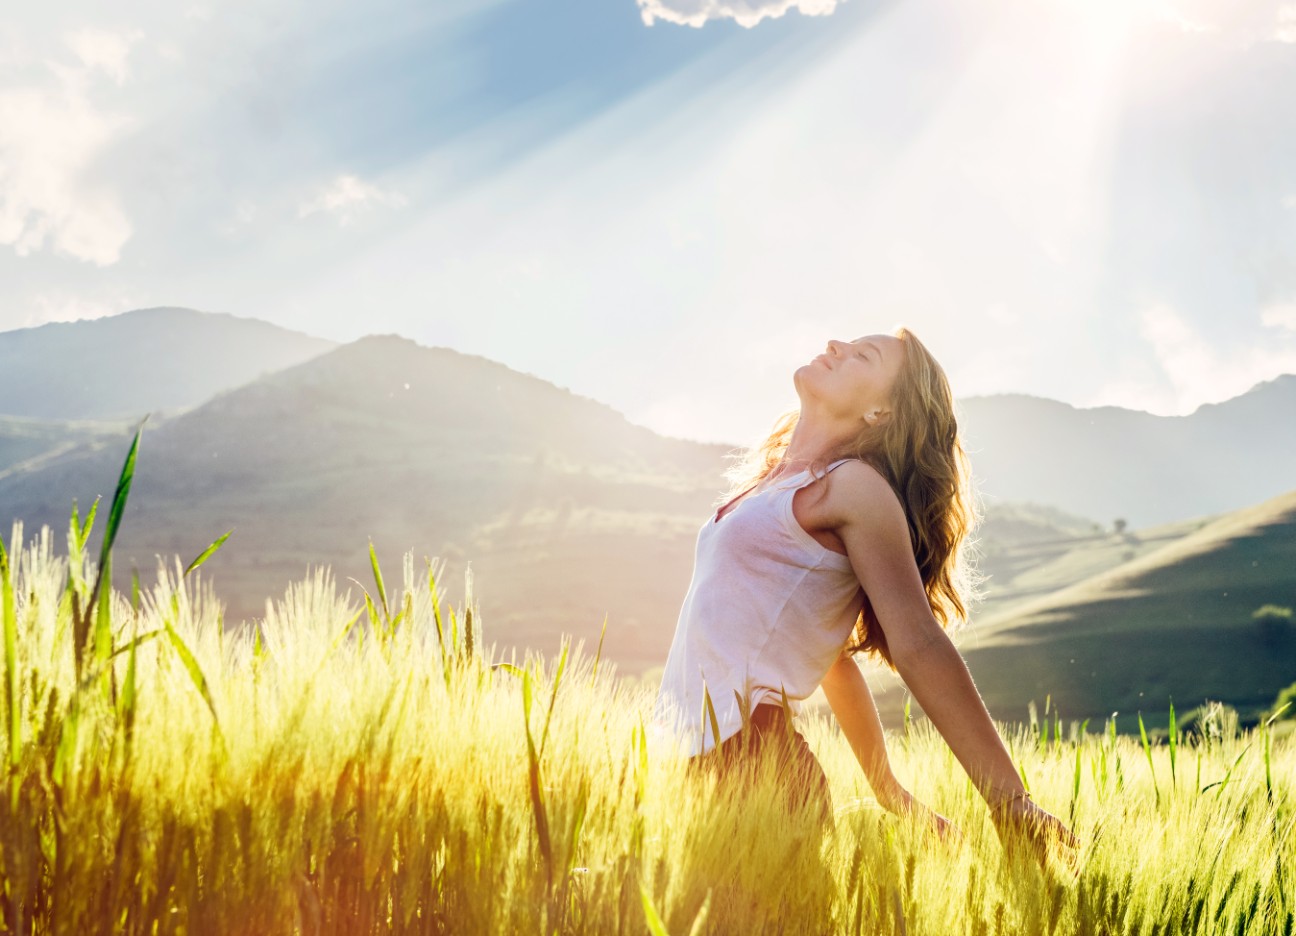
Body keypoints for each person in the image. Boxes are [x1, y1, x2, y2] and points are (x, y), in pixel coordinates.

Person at [653, 327, 1076, 861]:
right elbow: (829, 659)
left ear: (882, 412)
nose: (834, 346)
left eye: (862, 356)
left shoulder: (852, 487)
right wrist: (886, 787)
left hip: (751, 768)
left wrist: (1009, 801)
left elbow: (918, 642)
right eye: (845, 344)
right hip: (688, 763)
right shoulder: (772, 484)